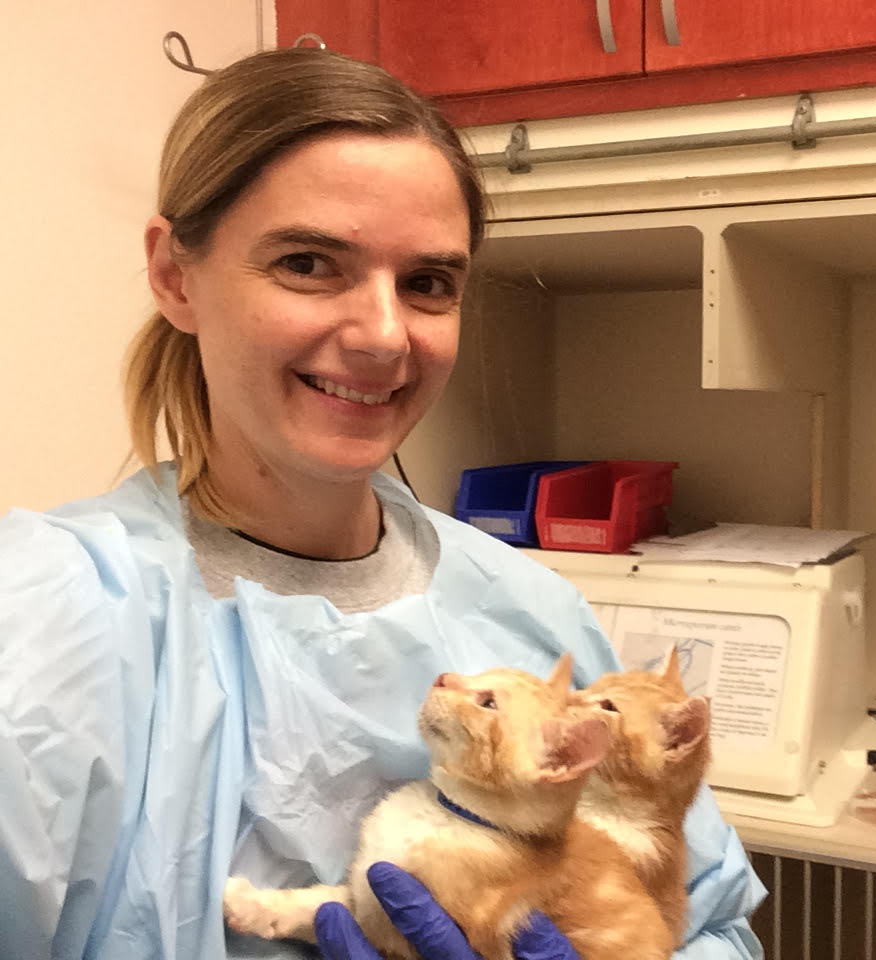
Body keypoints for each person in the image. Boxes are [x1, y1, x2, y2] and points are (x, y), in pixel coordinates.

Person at [0, 47, 764, 960]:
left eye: (429, 283)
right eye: (308, 263)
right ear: (175, 275)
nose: (384, 334)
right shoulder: (44, 620)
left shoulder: (527, 613)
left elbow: (713, 927)